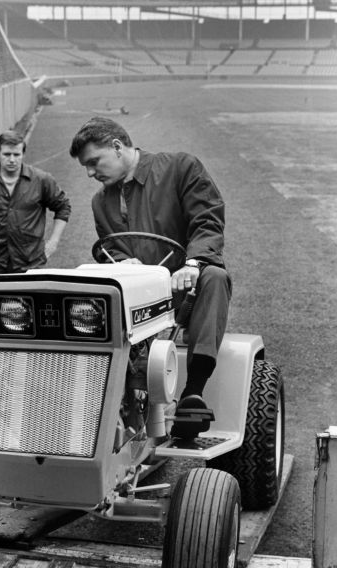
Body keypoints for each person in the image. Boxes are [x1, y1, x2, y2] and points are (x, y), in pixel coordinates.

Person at [69, 116, 232, 439]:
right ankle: (92, 405)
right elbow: (107, 249)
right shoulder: (100, 202)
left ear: (117, 147)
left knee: (214, 276)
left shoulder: (180, 168)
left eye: (93, 162)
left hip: (182, 287)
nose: (90, 173)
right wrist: (120, 262)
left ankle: (192, 394)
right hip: (134, 296)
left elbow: (207, 220)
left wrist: (192, 264)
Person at [0, 130, 71, 274]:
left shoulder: (41, 180)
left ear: (23, 154)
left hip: (31, 259)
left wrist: (53, 241)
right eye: (7, 154)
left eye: (16, 154)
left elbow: (63, 207)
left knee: (30, 297)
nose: (12, 160)